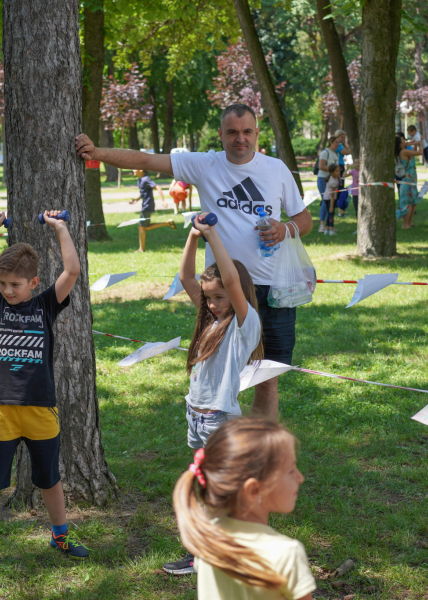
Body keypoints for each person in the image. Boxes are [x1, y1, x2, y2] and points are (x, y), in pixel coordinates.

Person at [76, 103, 312, 419]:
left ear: (256, 133)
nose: (240, 139)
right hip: (225, 293)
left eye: (246, 132)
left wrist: (285, 229)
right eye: (232, 132)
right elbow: (146, 159)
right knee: (225, 375)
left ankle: (259, 453)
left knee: (266, 380)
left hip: (274, 291)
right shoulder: (204, 164)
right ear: (221, 134)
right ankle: (222, 440)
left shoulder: (276, 169)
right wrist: (97, 153)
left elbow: (304, 218)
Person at [0, 209, 88, 575]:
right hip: (2, 411)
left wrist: (61, 227)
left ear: (33, 282)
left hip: (40, 411)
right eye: (3, 283)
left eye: (15, 284)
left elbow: (72, 271)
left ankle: (60, 535)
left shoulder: (46, 305)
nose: (7, 290)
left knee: (50, 478)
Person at [161, 214, 264, 577]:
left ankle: (214, 553)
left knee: (216, 490)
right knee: (208, 486)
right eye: (209, 299)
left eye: (219, 296)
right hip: (196, 415)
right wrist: (192, 236)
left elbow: (231, 280)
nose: (213, 303)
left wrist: (213, 234)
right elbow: (188, 278)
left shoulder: (242, 323)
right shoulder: (210, 320)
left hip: (220, 419)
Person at [172, 418, 315, 600]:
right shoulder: (285, 553)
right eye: (291, 471)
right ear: (254, 490)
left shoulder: (209, 536)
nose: (300, 477)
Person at [129, 169, 174, 252]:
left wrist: (162, 200)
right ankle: (168, 223)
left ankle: (141, 249)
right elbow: (144, 192)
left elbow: (158, 187)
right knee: (144, 227)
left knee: (141, 227)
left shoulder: (146, 179)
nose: (133, 170)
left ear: (141, 170)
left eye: (135, 168)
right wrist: (137, 199)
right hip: (145, 205)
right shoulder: (139, 180)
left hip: (147, 206)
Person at [395, 134, 425, 229]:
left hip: (412, 178)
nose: (405, 140)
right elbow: (420, 153)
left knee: (414, 201)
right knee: (407, 203)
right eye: (403, 140)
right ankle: (405, 224)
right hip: (407, 180)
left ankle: (410, 222)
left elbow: (414, 152)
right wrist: (420, 143)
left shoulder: (405, 151)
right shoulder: (403, 151)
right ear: (400, 144)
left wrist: (416, 143)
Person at [316, 136, 340, 233]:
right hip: (323, 180)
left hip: (333, 180)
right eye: (336, 142)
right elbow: (321, 166)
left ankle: (329, 225)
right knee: (325, 202)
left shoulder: (337, 154)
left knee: (332, 202)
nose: (338, 144)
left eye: (339, 142)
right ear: (330, 142)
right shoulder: (325, 152)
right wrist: (332, 170)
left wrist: (338, 177)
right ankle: (322, 225)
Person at [323, 164, 343, 235]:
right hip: (330, 198)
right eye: (336, 171)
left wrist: (339, 177)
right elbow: (332, 194)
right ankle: (331, 229)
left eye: (339, 171)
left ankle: (327, 228)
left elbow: (340, 183)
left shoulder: (334, 177)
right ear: (332, 172)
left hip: (327, 197)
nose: (338, 172)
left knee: (329, 214)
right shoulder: (333, 181)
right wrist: (331, 206)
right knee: (331, 213)